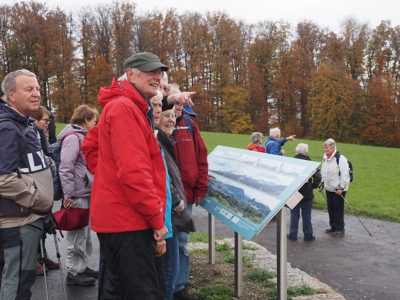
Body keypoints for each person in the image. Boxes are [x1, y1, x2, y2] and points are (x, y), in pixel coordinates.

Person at [87, 51, 170, 299]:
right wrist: (157, 221)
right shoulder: (124, 108)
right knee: (142, 292)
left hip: (119, 218)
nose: (156, 76)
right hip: (128, 221)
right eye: (150, 71)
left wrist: (107, 176)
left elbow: (90, 147)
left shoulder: (125, 105)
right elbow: (134, 173)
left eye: (159, 72)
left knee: (117, 289)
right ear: (131, 73)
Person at [0, 69, 53, 299]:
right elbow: (3, 179)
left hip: (29, 219)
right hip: (19, 222)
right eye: (29, 89)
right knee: (17, 283)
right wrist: (37, 199)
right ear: (12, 95)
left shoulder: (24, 124)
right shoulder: (8, 127)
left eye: (38, 89)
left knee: (23, 282)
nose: (36, 94)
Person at [173, 87, 208, 300]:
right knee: (164, 242)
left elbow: (201, 158)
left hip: (186, 197)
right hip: (164, 196)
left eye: (180, 104)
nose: (177, 108)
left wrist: (201, 187)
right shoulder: (157, 125)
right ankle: (166, 283)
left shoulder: (189, 126)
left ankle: (179, 286)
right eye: (174, 102)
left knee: (182, 243)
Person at [157, 107, 195, 300]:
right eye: (167, 116)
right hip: (167, 215)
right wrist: (177, 201)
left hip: (169, 214)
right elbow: (162, 177)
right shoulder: (159, 142)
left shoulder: (167, 141)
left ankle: (176, 289)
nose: (171, 120)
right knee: (168, 269)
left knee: (171, 265)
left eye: (173, 116)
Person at [58, 104, 98, 286]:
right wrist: (69, 195)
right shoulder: (73, 138)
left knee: (85, 234)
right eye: (94, 120)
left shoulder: (82, 136)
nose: (95, 123)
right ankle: (73, 272)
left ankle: (82, 266)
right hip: (77, 194)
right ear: (85, 120)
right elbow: (65, 167)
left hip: (85, 192)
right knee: (76, 235)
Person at [30, 106, 60, 274]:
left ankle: (42, 255)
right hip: (35, 184)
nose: (48, 124)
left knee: (45, 223)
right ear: (35, 120)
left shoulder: (42, 133)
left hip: (44, 183)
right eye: (45, 121)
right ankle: (34, 258)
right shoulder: (32, 132)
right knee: (35, 223)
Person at [287, 143, 321, 241]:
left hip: (294, 192)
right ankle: (308, 235)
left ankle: (293, 235)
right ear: (306, 151)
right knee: (307, 215)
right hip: (307, 192)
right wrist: (311, 186)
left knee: (294, 214)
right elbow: (318, 178)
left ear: (297, 151)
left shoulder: (292, 162)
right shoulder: (310, 163)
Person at [319, 138, 350, 237]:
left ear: (333, 147)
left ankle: (340, 229)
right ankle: (333, 227)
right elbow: (324, 172)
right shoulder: (325, 158)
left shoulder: (340, 158)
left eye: (327, 148)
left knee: (338, 209)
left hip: (338, 189)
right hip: (329, 188)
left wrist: (342, 187)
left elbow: (345, 174)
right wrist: (322, 183)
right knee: (331, 208)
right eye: (324, 148)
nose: (325, 150)